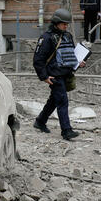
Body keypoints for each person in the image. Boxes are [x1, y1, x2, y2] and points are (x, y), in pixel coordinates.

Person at [32, 8, 81, 141]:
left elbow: (71, 53)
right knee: (62, 101)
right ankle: (66, 131)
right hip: (54, 75)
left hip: (66, 74)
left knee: (54, 100)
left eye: (67, 24)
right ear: (56, 23)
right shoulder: (46, 38)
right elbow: (38, 60)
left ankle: (40, 121)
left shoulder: (67, 36)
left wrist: (78, 62)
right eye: (63, 24)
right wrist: (44, 77)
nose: (66, 26)